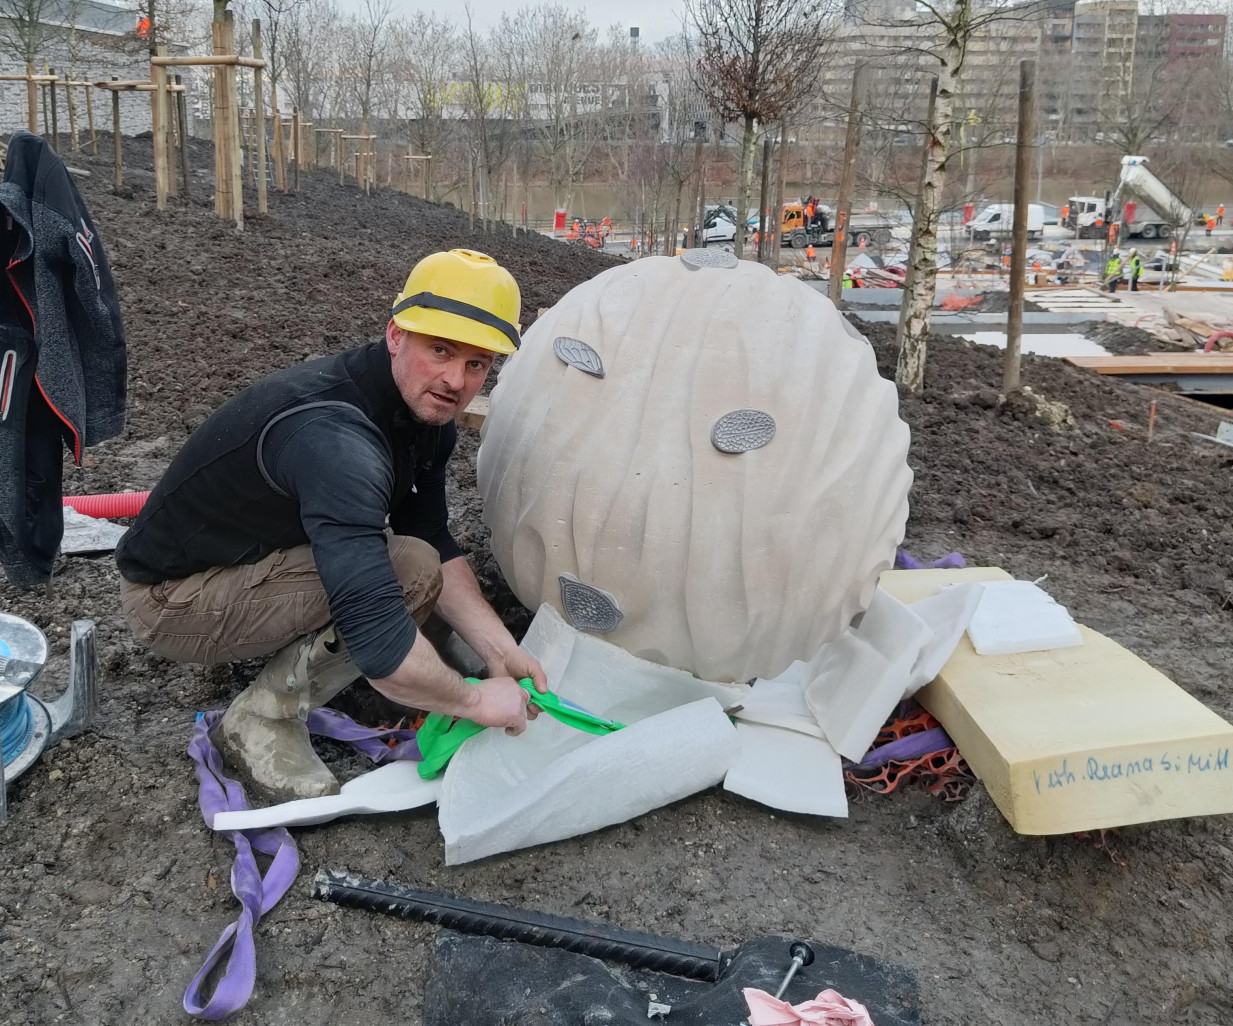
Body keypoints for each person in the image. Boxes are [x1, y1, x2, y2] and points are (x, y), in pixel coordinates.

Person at [115, 249, 548, 802]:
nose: (454, 380)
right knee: (406, 574)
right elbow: (379, 640)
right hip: (172, 599)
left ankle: (433, 657)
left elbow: (435, 536)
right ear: (397, 335)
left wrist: (496, 646)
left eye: (476, 364)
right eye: (440, 350)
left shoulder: (423, 415)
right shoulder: (336, 440)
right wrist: (474, 702)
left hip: (251, 559)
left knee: (414, 556)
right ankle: (260, 721)